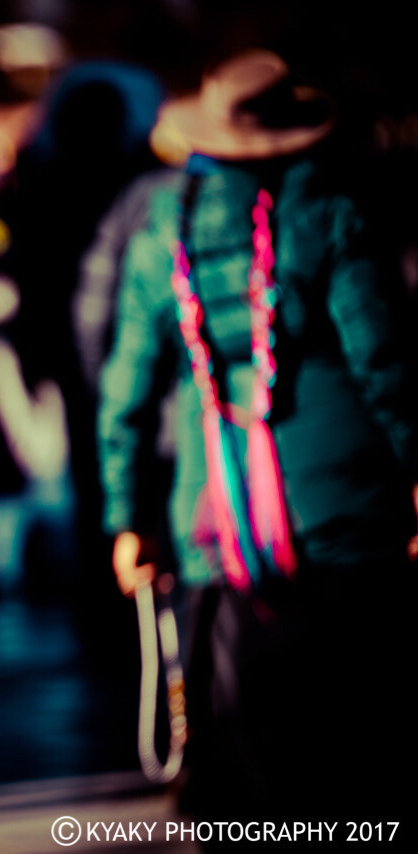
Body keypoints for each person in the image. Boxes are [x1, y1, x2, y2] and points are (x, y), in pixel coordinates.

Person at [98, 50, 417, 824]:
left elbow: (126, 390)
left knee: (242, 733)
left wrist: (128, 518)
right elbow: (385, 361)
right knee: (355, 730)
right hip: (345, 507)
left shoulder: (158, 232)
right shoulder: (333, 211)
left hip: (210, 517)